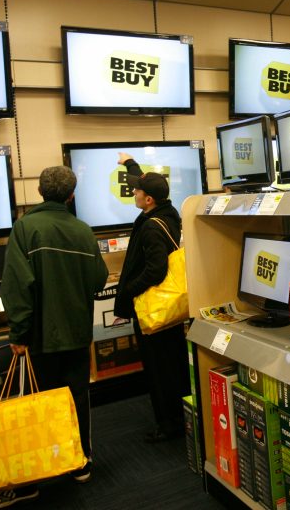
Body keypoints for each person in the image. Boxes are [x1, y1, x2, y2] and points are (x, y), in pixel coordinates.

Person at [0, 166, 109, 509]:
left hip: (39, 338)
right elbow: (99, 279)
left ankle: (30, 484)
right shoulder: (83, 230)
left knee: (34, 407)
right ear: (72, 195)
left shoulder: (26, 228)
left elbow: (17, 286)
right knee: (76, 399)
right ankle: (80, 464)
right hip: (77, 333)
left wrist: (19, 332)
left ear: (39, 191)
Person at [113, 152, 191, 443]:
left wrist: (130, 289)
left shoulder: (150, 227)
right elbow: (146, 181)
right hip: (168, 307)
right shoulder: (168, 213)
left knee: (159, 369)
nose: (133, 193)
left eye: (137, 191)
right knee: (172, 363)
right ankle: (179, 416)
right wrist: (130, 163)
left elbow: (156, 270)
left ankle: (169, 424)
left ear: (148, 200)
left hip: (153, 308)